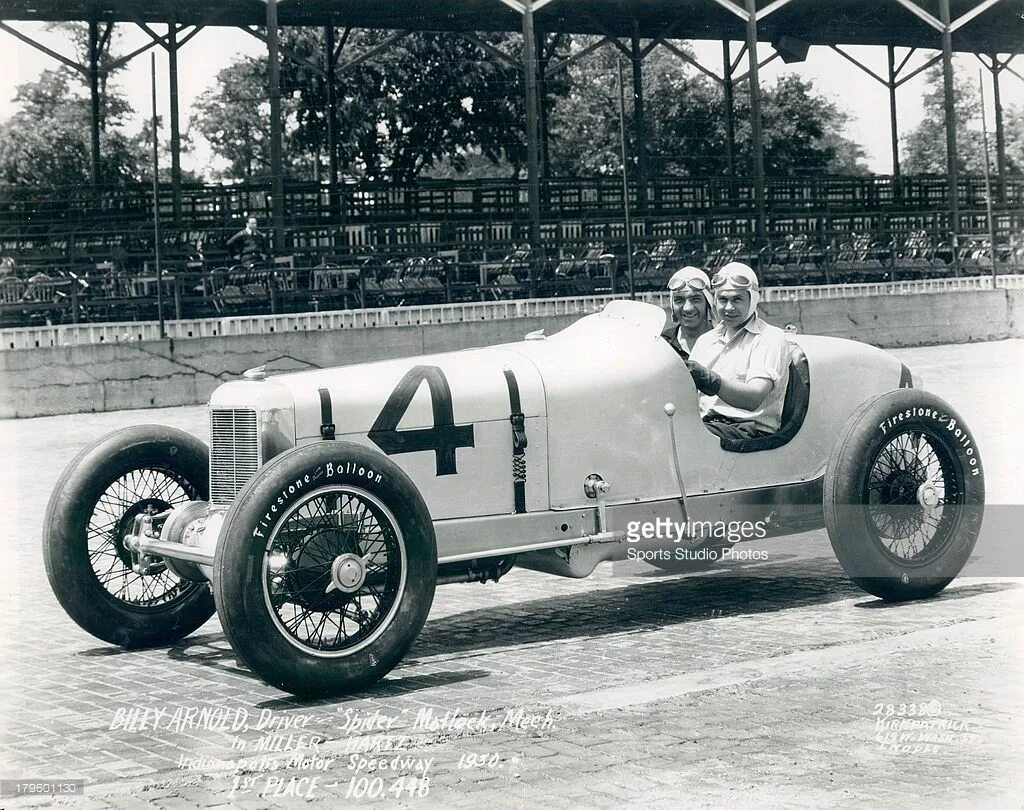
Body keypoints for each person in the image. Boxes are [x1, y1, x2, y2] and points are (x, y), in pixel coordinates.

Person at [685, 262, 791, 440]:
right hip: (708, 428)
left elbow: (753, 398)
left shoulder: (770, 337)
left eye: (737, 299)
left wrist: (711, 380)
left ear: (753, 300)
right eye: (723, 300)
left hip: (749, 431)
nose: (728, 308)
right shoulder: (705, 340)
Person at [661, 266, 714, 359]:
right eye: (679, 300)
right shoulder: (663, 344)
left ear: (708, 303)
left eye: (695, 299)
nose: (687, 308)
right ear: (672, 305)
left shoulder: (725, 342)